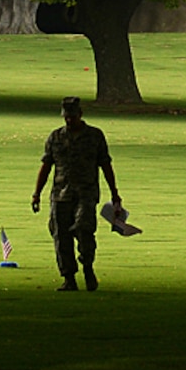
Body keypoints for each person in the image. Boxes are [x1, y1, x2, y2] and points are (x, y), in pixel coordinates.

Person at [31, 96, 121, 291]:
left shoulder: (95, 136)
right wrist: (36, 194)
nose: (69, 120)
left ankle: (87, 267)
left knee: (84, 229)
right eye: (66, 117)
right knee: (60, 236)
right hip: (60, 194)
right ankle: (69, 278)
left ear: (80, 114)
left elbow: (105, 164)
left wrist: (115, 193)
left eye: (72, 116)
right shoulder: (56, 137)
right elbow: (46, 166)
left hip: (86, 193)